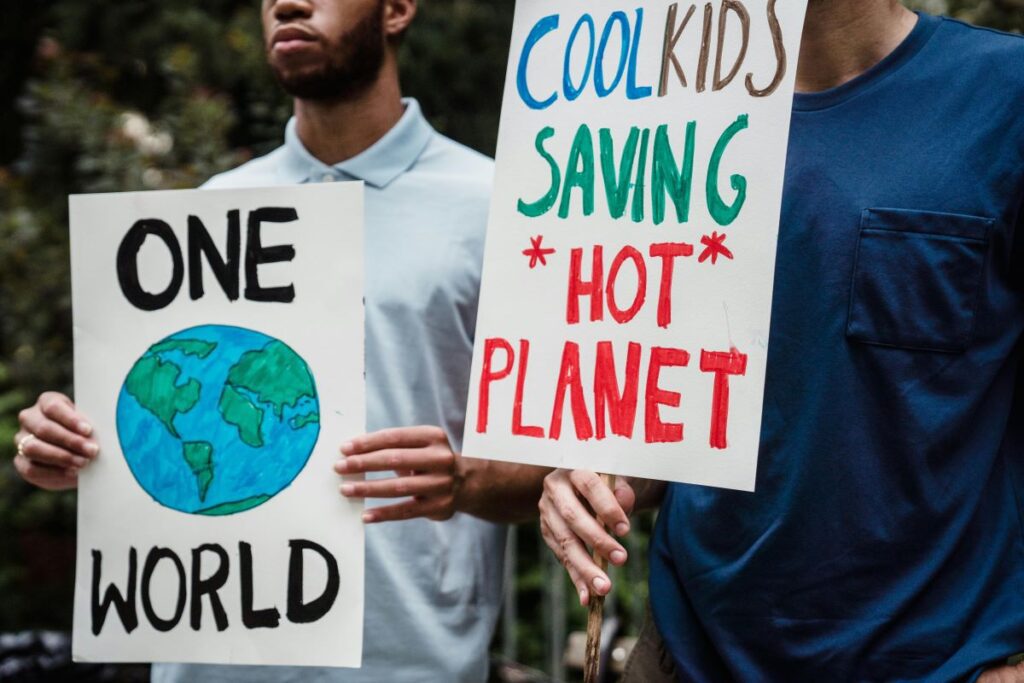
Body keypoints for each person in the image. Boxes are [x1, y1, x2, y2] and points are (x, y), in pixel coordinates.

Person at [13, 0, 546, 681]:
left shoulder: (497, 207)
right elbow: (154, 428)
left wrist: (468, 479)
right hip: (206, 661)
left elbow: (566, 467)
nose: (286, 4)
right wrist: (67, 446)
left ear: (399, 9)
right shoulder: (207, 208)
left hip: (407, 662)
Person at [539, 1, 1024, 681]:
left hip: (937, 660)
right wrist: (597, 473)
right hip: (687, 648)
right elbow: (676, 419)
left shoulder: (1005, 96)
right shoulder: (663, 111)